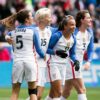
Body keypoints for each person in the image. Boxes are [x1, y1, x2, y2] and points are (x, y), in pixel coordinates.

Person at [5, 9, 46, 100]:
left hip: (17, 62)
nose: (32, 18)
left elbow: (7, 35)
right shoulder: (34, 31)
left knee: (15, 92)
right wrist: (44, 56)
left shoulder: (13, 32)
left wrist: (7, 37)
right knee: (33, 91)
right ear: (27, 19)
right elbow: (39, 50)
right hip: (30, 62)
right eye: (31, 16)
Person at [61, 10, 94, 100]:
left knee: (66, 92)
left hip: (78, 63)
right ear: (82, 20)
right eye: (88, 18)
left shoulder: (90, 32)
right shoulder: (73, 32)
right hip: (71, 62)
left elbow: (90, 49)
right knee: (81, 89)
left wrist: (88, 61)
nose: (90, 19)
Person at [26, 7, 58, 100]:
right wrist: (8, 36)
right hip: (35, 64)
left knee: (38, 96)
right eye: (49, 17)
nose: (51, 18)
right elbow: (16, 31)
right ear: (42, 19)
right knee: (37, 95)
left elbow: (63, 29)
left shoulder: (50, 30)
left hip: (44, 64)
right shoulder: (32, 30)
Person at [45, 15, 80, 100]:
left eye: (74, 24)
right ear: (65, 26)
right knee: (59, 92)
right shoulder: (57, 36)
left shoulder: (73, 38)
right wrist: (56, 52)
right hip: (53, 64)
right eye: (71, 24)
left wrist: (76, 61)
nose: (74, 27)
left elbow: (72, 53)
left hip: (63, 66)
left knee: (52, 94)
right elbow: (46, 49)